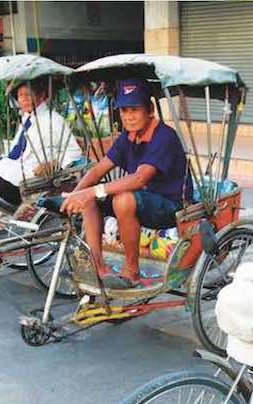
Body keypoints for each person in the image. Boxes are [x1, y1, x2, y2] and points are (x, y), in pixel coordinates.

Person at [60, 79, 191, 289]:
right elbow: (97, 170)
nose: (128, 116)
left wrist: (94, 190)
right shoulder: (127, 138)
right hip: (140, 200)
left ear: (149, 110)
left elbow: (140, 178)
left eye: (134, 110)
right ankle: (98, 266)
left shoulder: (164, 136)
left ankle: (131, 271)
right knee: (90, 199)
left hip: (170, 205)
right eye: (123, 111)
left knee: (122, 199)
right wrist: (75, 195)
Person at [0, 81, 81, 232]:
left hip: (31, 181)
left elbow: (74, 152)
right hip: (14, 171)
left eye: (28, 94)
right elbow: (16, 152)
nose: (23, 99)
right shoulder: (27, 119)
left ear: (41, 96)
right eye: (20, 96)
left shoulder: (53, 120)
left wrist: (54, 164)